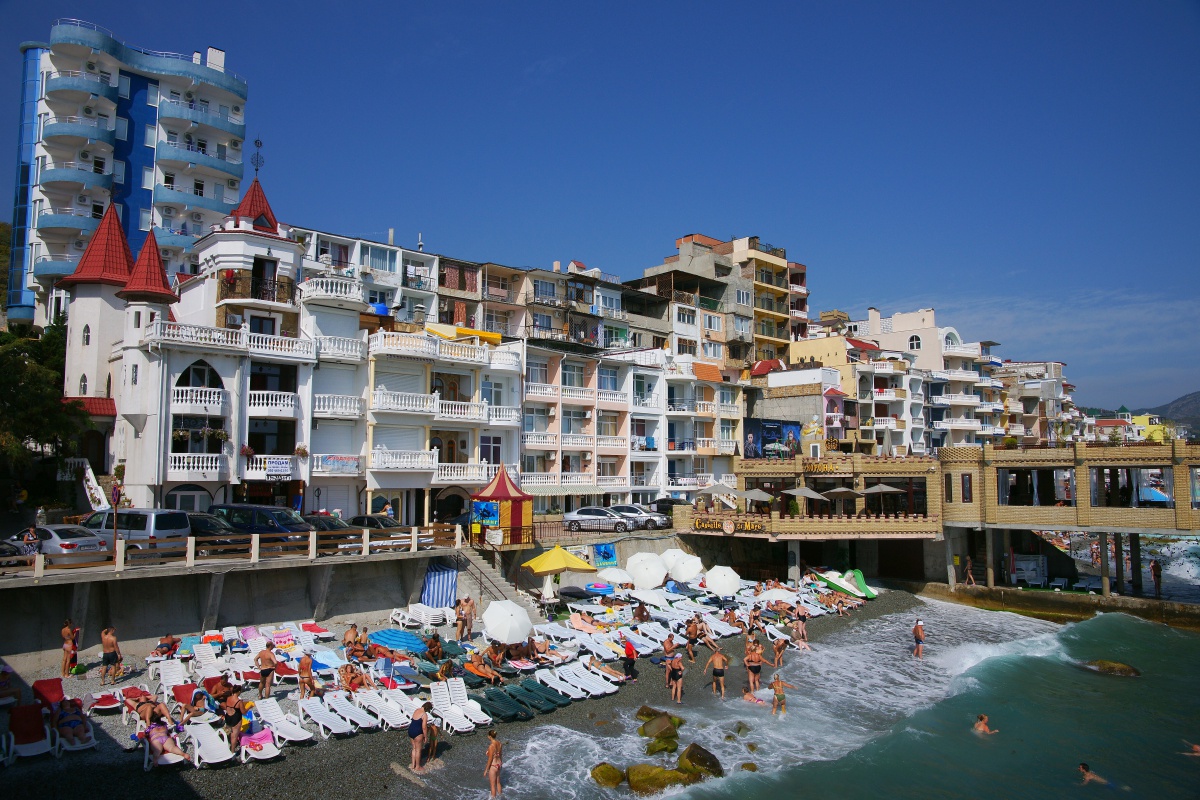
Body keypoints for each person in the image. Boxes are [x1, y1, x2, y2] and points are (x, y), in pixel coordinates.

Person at [409, 700, 433, 772]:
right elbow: (424, 727)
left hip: (410, 730)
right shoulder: (424, 715)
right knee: (418, 750)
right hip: (418, 732)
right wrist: (425, 737)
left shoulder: (416, 710)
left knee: (414, 748)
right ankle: (418, 767)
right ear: (427, 709)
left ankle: (413, 765)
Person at [484, 728, 504, 797]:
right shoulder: (499, 743)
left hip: (493, 766)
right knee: (498, 782)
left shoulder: (491, 746)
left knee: (492, 785)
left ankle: (493, 798)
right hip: (498, 764)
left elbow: (490, 759)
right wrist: (501, 763)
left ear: (490, 736)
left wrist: (486, 770)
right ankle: (501, 796)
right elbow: (500, 754)